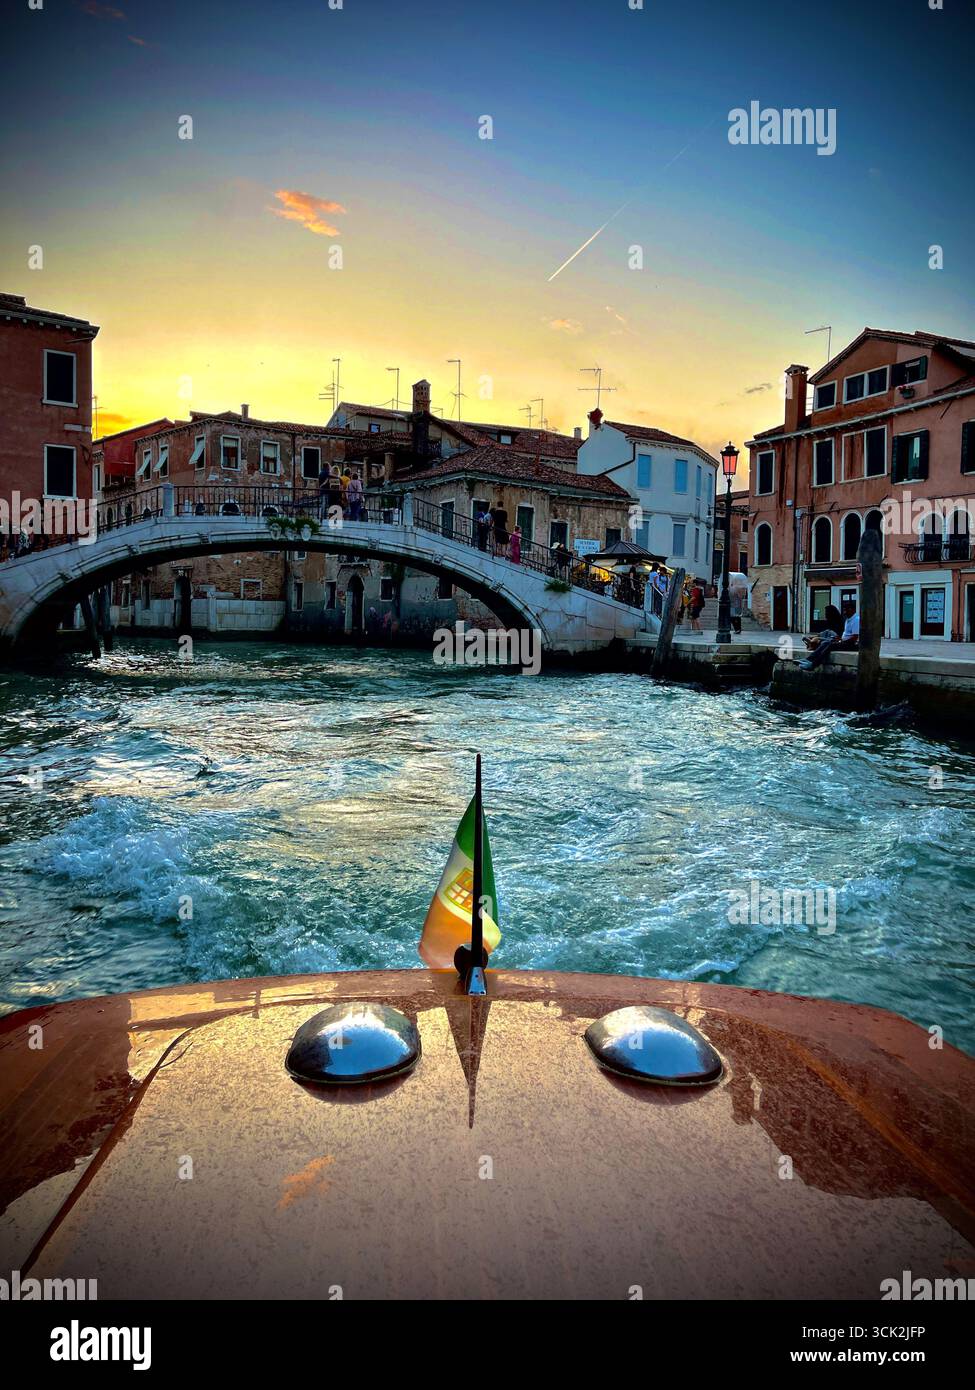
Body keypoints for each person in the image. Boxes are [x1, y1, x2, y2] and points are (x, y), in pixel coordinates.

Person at [800, 603, 859, 670]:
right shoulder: (848, 620)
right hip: (843, 641)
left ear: (851, 610)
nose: (844, 612)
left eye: (846, 610)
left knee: (829, 645)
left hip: (851, 644)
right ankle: (809, 659)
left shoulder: (856, 620)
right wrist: (840, 639)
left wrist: (841, 641)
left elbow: (855, 637)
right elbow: (847, 635)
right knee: (825, 642)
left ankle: (813, 665)